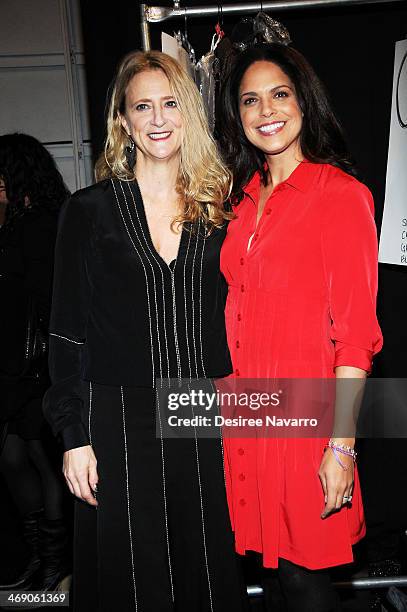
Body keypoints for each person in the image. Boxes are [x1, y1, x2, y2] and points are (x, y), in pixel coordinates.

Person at [43, 50, 245, 611]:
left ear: (190, 113)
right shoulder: (88, 211)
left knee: (207, 564)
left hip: (200, 407)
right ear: (123, 120)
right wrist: (73, 436)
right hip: (116, 414)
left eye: (170, 104)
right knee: (133, 575)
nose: (158, 119)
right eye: (143, 107)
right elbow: (67, 332)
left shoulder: (220, 210)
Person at [218, 42, 383, 611]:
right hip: (247, 418)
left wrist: (341, 447)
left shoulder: (341, 197)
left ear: (304, 103)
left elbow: (356, 337)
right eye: (250, 100)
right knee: (275, 581)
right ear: (237, 117)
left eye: (280, 94)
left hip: (309, 423)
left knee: (306, 580)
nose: (267, 110)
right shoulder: (238, 205)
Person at [0, 133, 71, 592]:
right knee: (13, 457)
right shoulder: (13, 224)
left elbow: (48, 298)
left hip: (39, 364)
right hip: (13, 366)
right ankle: (39, 555)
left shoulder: (45, 222)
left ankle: (55, 563)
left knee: (44, 459)